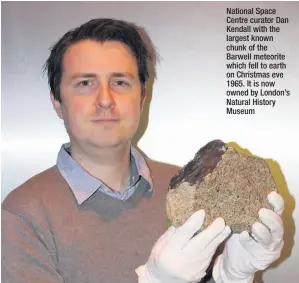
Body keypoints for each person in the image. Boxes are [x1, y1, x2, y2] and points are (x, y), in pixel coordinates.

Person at [2, 18, 284, 283]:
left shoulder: (185, 189)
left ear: (141, 97)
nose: (105, 100)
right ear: (56, 102)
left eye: (120, 82)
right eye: (85, 83)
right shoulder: (22, 215)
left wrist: (231, 276)